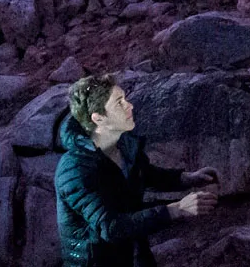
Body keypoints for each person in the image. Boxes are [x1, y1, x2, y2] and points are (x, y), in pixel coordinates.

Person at [55, 76, 217, 267]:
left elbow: (144, 173)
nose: (129, 106)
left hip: (132, 254)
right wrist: (176, 210)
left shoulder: (123, 144)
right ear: (98, 118)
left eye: (125, 98)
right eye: (119, 103)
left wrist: (186, 178)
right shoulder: (74, 169)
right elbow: (111, 228)